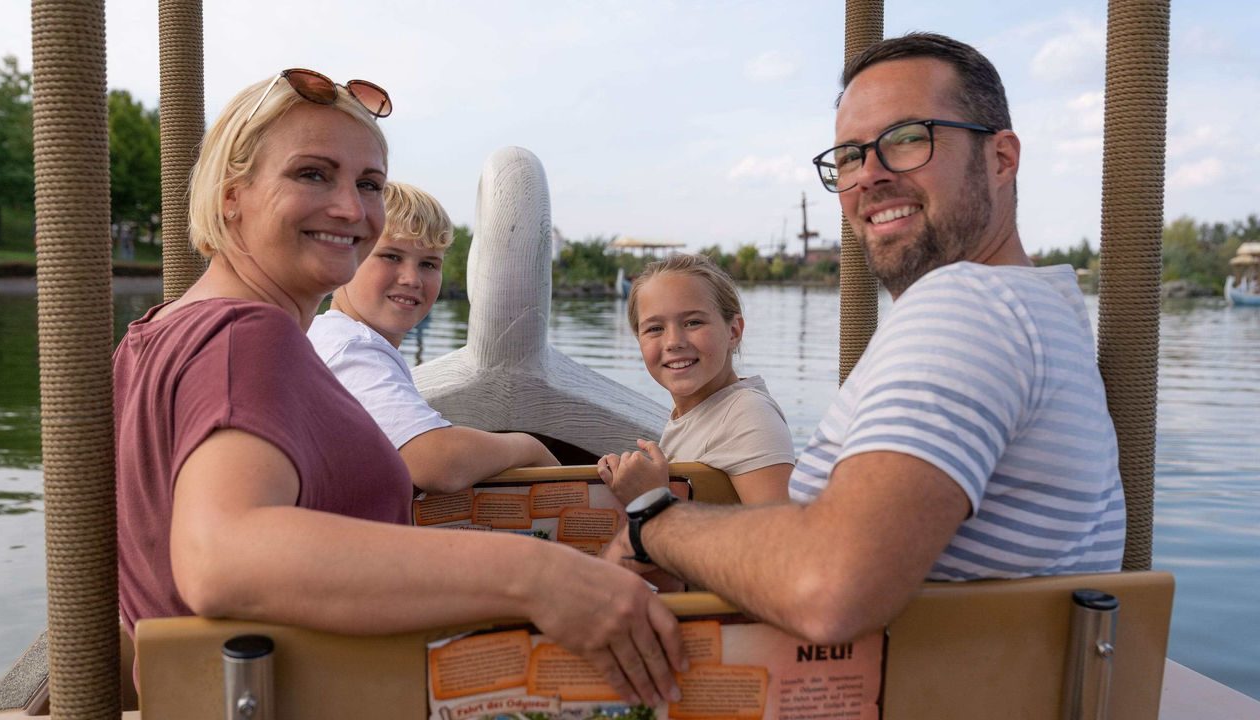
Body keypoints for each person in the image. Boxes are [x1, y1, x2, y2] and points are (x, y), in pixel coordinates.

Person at [113, 68, 684, 706]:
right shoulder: (246, 337)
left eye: (369, 184)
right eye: (311, 174)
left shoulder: (158, 330)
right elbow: (222, 556)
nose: (351, 209)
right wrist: (538, 575)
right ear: (230, 195)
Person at [601, 33, 1126, 646]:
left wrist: (653, 521)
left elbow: (830, 586)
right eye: (849, 156)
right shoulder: (1042, 306)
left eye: (908, 139)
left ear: (1001, 158)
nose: (869, 176)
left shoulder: (966, 305)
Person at [308, 182, 558, 494]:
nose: (412, 279)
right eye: (391, 256)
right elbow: (436, 463)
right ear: (341, 260)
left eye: (428, 263)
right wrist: (527, 447)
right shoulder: (351, 350)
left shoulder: (330, 335)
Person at [596, 254, 794, 505]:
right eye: (655, 328)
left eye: (693, 322)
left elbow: (782, 537)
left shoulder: (747, 415)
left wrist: (654, 501)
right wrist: (539, 455)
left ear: (733, 332)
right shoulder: (696, 413)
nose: (673, 342)